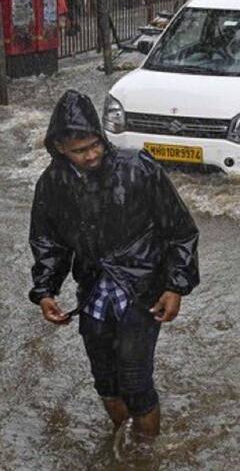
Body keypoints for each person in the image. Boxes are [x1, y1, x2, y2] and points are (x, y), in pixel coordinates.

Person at [28, 90, 199, 439]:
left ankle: (146, 455)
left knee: (136, 383)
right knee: (105, 382)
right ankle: (123, 446)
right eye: (80, 150)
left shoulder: (138, 168)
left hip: (141, 290)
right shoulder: (52, 184)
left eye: (95, 145)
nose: (91, 155)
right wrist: (45, 291)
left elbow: (180, 231)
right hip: (93, 293)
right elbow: (48, 242)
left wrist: (175, 286)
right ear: (60, 147)